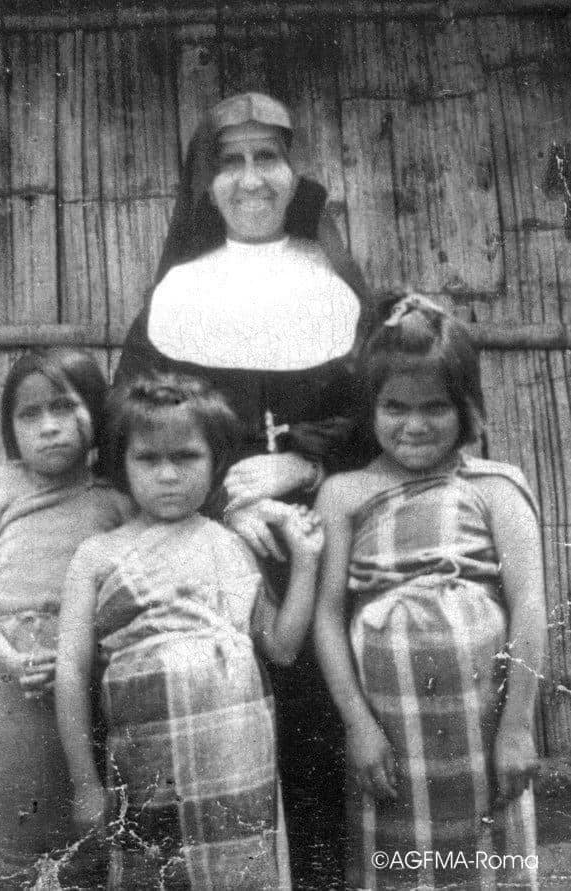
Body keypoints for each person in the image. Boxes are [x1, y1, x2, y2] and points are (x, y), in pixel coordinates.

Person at [114, 91, 370, 885]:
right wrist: (225, 495)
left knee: (321, 746)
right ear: (205, 182)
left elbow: (387, 415)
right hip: (207, 548)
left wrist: (305, 464)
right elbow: (129, 432)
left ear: (295, 173)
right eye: (231, 161)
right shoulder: (176, 296)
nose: (251, 178)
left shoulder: (336, 283)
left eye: (268, 157)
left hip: (328, 546)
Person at [55, 373, 324, 890]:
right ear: (122, 462)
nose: (168, 475)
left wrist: (306, 561)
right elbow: (70, 671)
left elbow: (282, 647)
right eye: (148, 459)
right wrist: (84, 783)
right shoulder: (98, 556)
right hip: (146, 766)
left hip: (237, 766)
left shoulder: (231, 544)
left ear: (215, 460)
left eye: (186, 457)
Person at [315, 294, 545, 890]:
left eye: (435, 407)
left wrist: (517, 727)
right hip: (389, 735)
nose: (413, 425)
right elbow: (327, 618)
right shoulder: (344, 493)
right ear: (371, 408)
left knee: (488, 868)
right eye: (395, 407)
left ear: (466, 408)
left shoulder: (496, 488)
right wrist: (357, 725)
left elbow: (529, 609)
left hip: (483, 729)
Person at [0, 349, 132, 888]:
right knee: (26, 817)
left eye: (64, 407)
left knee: (91, 818)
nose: (48, 427)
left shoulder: (116, 497)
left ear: (96, 410)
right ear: (10, 428)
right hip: (16, 672)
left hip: (88, 672)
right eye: (29, 414)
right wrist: (8, 659)